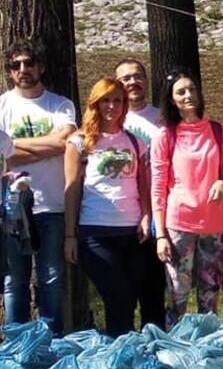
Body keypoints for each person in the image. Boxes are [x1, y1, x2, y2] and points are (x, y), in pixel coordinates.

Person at [0, 42, 77, 334]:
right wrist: (50, 146)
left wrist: (12, 145)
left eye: (29, 62)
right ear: (9, 72)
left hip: (53, 204)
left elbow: (65, 142)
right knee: (14, 282)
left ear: (41, 66)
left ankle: (52, 343)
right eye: (15, 65)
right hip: (11, 207)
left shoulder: (60, 104)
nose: (23, 70)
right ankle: (16, 347)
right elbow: (2, 155)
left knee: (52, 280)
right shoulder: (2, 105)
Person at [64, 78, 149, 336]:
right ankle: (117, 350)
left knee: (130, 298)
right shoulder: (79, 142)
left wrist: (146, 216)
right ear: (96, 104)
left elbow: (142, 184)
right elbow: (71, 188)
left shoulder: (135, 142)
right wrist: (70, 235)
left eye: (117, 101)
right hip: (96, 232)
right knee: (117, 295)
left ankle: (124, 347)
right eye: (106, 101)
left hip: (131, 231)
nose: (112, 106)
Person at [151, 68, 223, 328]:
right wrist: (161, 234)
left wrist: (222, 182)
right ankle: (174, 346)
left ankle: (206, 346)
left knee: (210, 295)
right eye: (181, 92)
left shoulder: (218, 131)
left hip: (214, 225)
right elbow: (158, 186)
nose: (188, 96)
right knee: (178, 295)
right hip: (179, 225)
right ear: (172, 99)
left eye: (192, 90)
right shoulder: (165, 135)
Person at [115, 58, 166, 329]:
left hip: (157, 211)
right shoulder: (111, 119)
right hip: (121, 211)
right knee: (124, 285)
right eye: (126, 78)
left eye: (137, 76)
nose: (133, 82)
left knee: (153, 285)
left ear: (146, 80)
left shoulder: (162, 118)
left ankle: (154, 338)